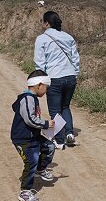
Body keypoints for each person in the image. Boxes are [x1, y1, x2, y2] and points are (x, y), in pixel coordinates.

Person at [34, 11, 80, 150]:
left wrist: (41, 79)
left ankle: (59, 141)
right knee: (65, 106)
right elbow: (75, 58)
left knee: (55, 110)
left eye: (43, 21)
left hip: (54, 78)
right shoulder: (68, 37)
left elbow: (40, 62)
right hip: (71, 77)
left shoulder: (42, 39)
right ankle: (70, 134)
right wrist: (75, 74)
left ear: (47, 23)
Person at [11, 70, 56, 201]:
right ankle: (25, 191)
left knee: (50, 147)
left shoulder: (32, 98)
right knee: (31, 162)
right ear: (39, 85)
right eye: (46, 88)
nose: (46, 91)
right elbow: (30, 119)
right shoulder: (27, 99)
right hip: (23, 139)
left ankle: (40, 169)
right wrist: (46, 124)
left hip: (33, 137)